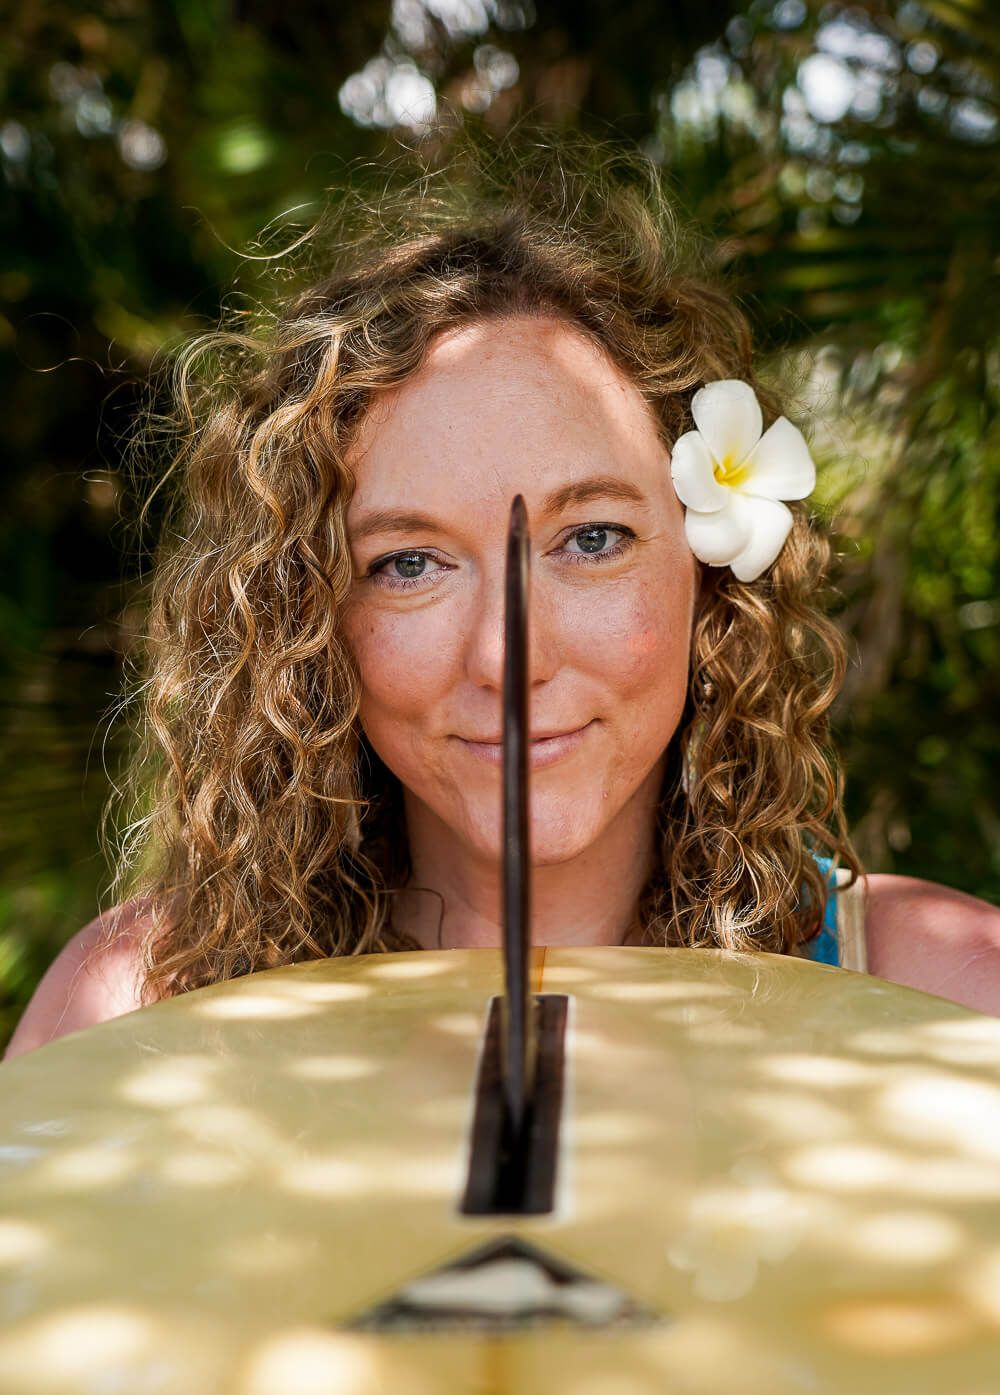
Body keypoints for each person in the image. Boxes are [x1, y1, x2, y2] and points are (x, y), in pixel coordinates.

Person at [5, 130, 999, 1061]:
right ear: (309, 615)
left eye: (592, 539)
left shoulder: (949, 999)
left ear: (708, 573)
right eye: (409, 562)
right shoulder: (138, 1010)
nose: (506, 654)